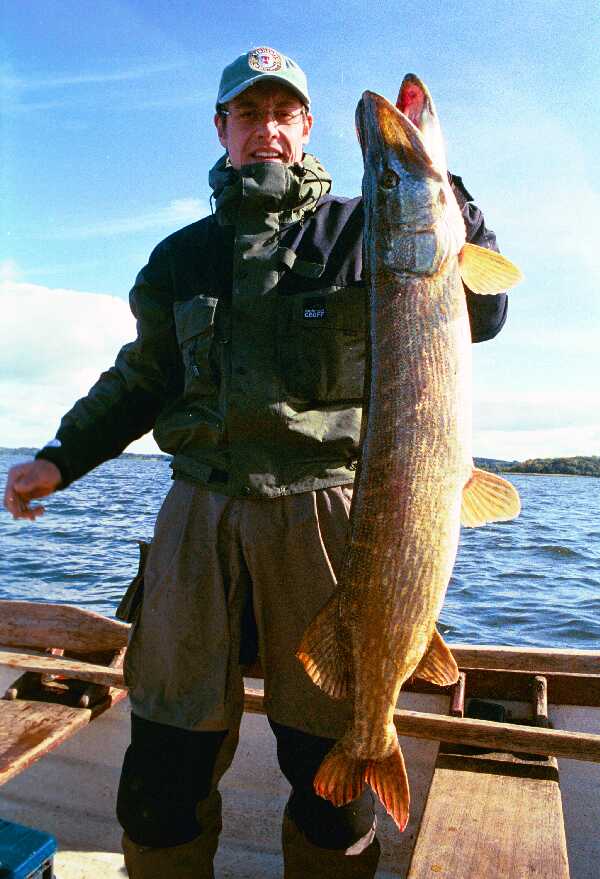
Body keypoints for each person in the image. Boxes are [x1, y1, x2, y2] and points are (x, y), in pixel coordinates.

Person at [3, 47, 509, 878]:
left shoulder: (364, 229)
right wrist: (60, 460)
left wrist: (450, 195)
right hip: (198, 517)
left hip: (327, 518)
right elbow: (142, 380)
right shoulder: (180, 257)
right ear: (222, 128)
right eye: (249, 113)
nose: (266, 128)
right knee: (164, 767)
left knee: (329, 773)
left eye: (283, 113)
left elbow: (484, 314)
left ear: (305, 128)